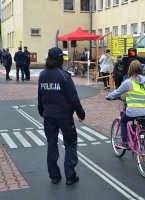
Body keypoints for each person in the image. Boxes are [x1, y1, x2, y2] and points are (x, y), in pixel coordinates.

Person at [38, 47, 85, 185]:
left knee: (52, 144)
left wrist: (42, 111)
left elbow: (40, 97)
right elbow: (73, 98)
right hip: (64, 116)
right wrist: (80, 112)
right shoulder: (64, 76)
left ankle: (54, 176)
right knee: (70, 143)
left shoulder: (42, 75)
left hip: (49, 116)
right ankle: (70, 176)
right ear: (60, 59)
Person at [106, 60, 145, 148]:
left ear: (130, 69)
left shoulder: (128, 82)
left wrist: (109, 96)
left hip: (133, 111)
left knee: (123, 120)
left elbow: (117, 92)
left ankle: (124, 142)